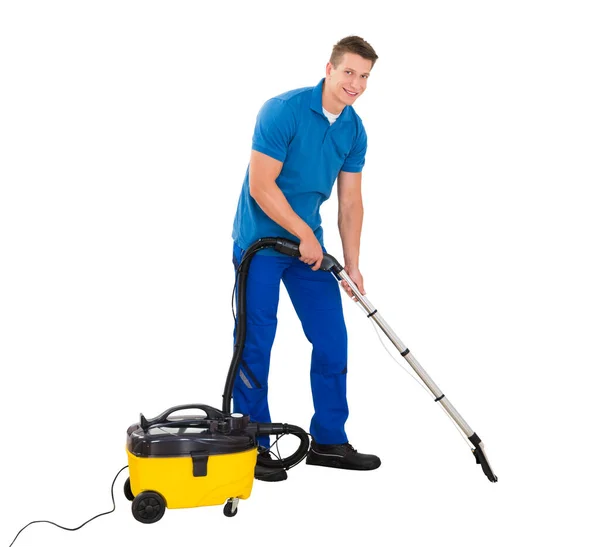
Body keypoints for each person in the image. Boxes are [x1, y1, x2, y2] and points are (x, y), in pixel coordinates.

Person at [231, 36, 380, 481]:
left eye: (365, 76)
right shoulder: (283, 110)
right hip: (260, 243)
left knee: (332, 339)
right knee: (256, 341)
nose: (356, 83)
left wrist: (351, 265)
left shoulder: (354, 129)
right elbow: (262, 186)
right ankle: (253, 446)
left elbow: (350, 202)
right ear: (330, 69)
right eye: (349, 72)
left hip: (307, 250)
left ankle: (330, 441)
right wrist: (301, 233)